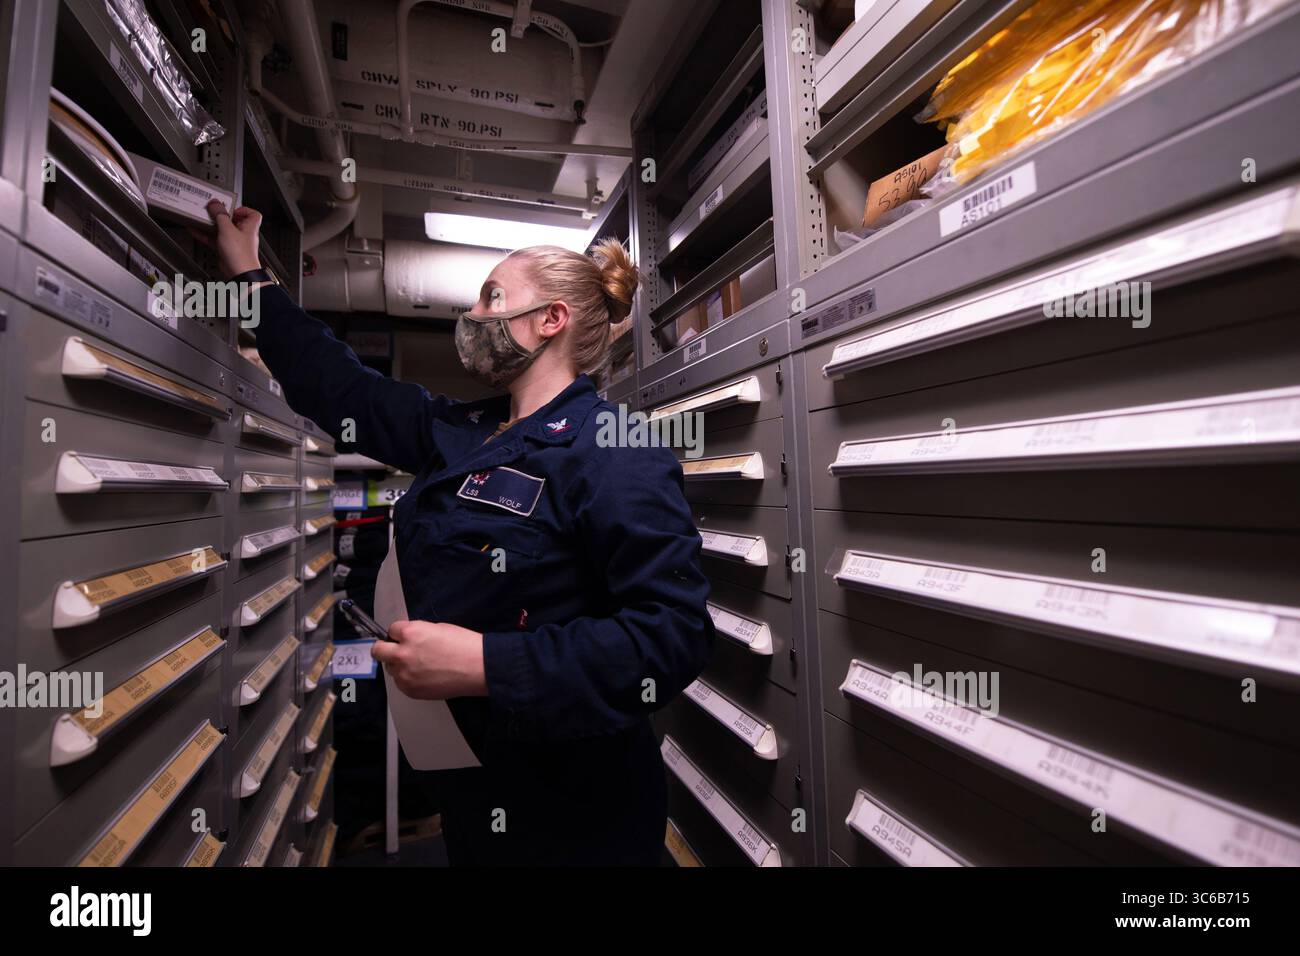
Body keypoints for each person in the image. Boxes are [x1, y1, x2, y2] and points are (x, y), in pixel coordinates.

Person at [205, 199, 714, 866]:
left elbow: (671, 636)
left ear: (548, 321)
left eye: (490, 298)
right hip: (478, 788)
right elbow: (344, 389)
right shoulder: (466, 432)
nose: (473, 317)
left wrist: (483, 665)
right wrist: (249, 274)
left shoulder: (614, 452)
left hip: (578, 821)